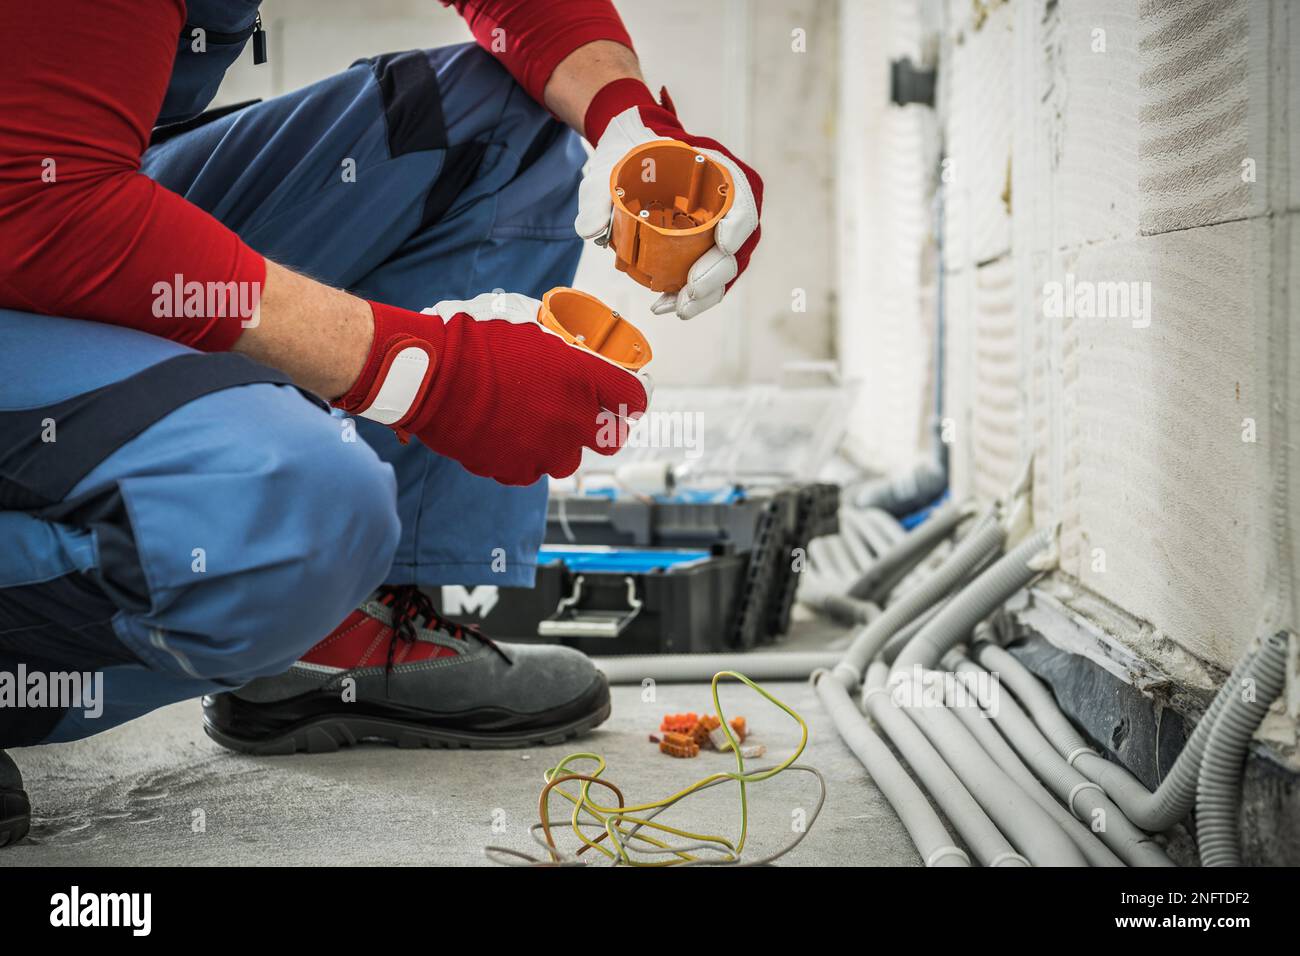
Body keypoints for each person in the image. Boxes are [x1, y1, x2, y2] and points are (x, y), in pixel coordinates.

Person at [0, 0, 763, 848]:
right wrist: (422, 371)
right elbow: (38, 208)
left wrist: (631, 122)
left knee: (503, 121)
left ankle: (342, 639)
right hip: (35, 207)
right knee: (288, 514)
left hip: (70, 183)